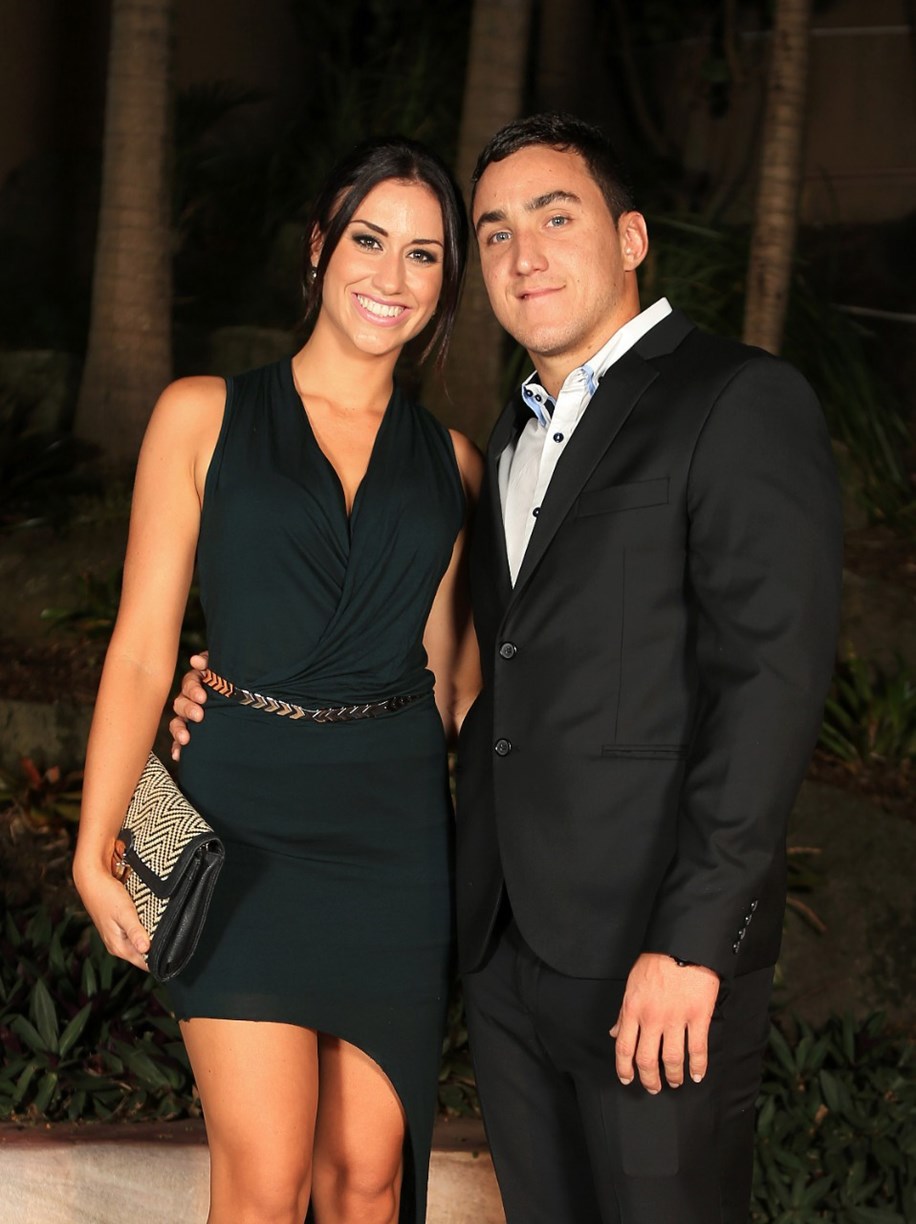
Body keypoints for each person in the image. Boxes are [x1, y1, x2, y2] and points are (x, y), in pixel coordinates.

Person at [173, 113, 843, 1223]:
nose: (523, 253)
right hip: (501, 952)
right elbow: (468, 684)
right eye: (493, 232)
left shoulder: (733, 399)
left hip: (649, 957)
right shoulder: (500, 446)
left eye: (555, 217)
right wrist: (241, 697)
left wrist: (693, 944)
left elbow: (769, 689)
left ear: (631, 238)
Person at [74, 136, 482, 1224]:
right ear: (318, 246)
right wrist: (95, 840)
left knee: (367, 1184)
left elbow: (458, 688)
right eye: (368, 240)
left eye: (424, 255)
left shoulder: (451, 465)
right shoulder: (200, 413)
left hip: (394, 839)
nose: (391, 276)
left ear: (447, 283)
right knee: (263, 1185)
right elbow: (142, 648)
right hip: (236, 825)